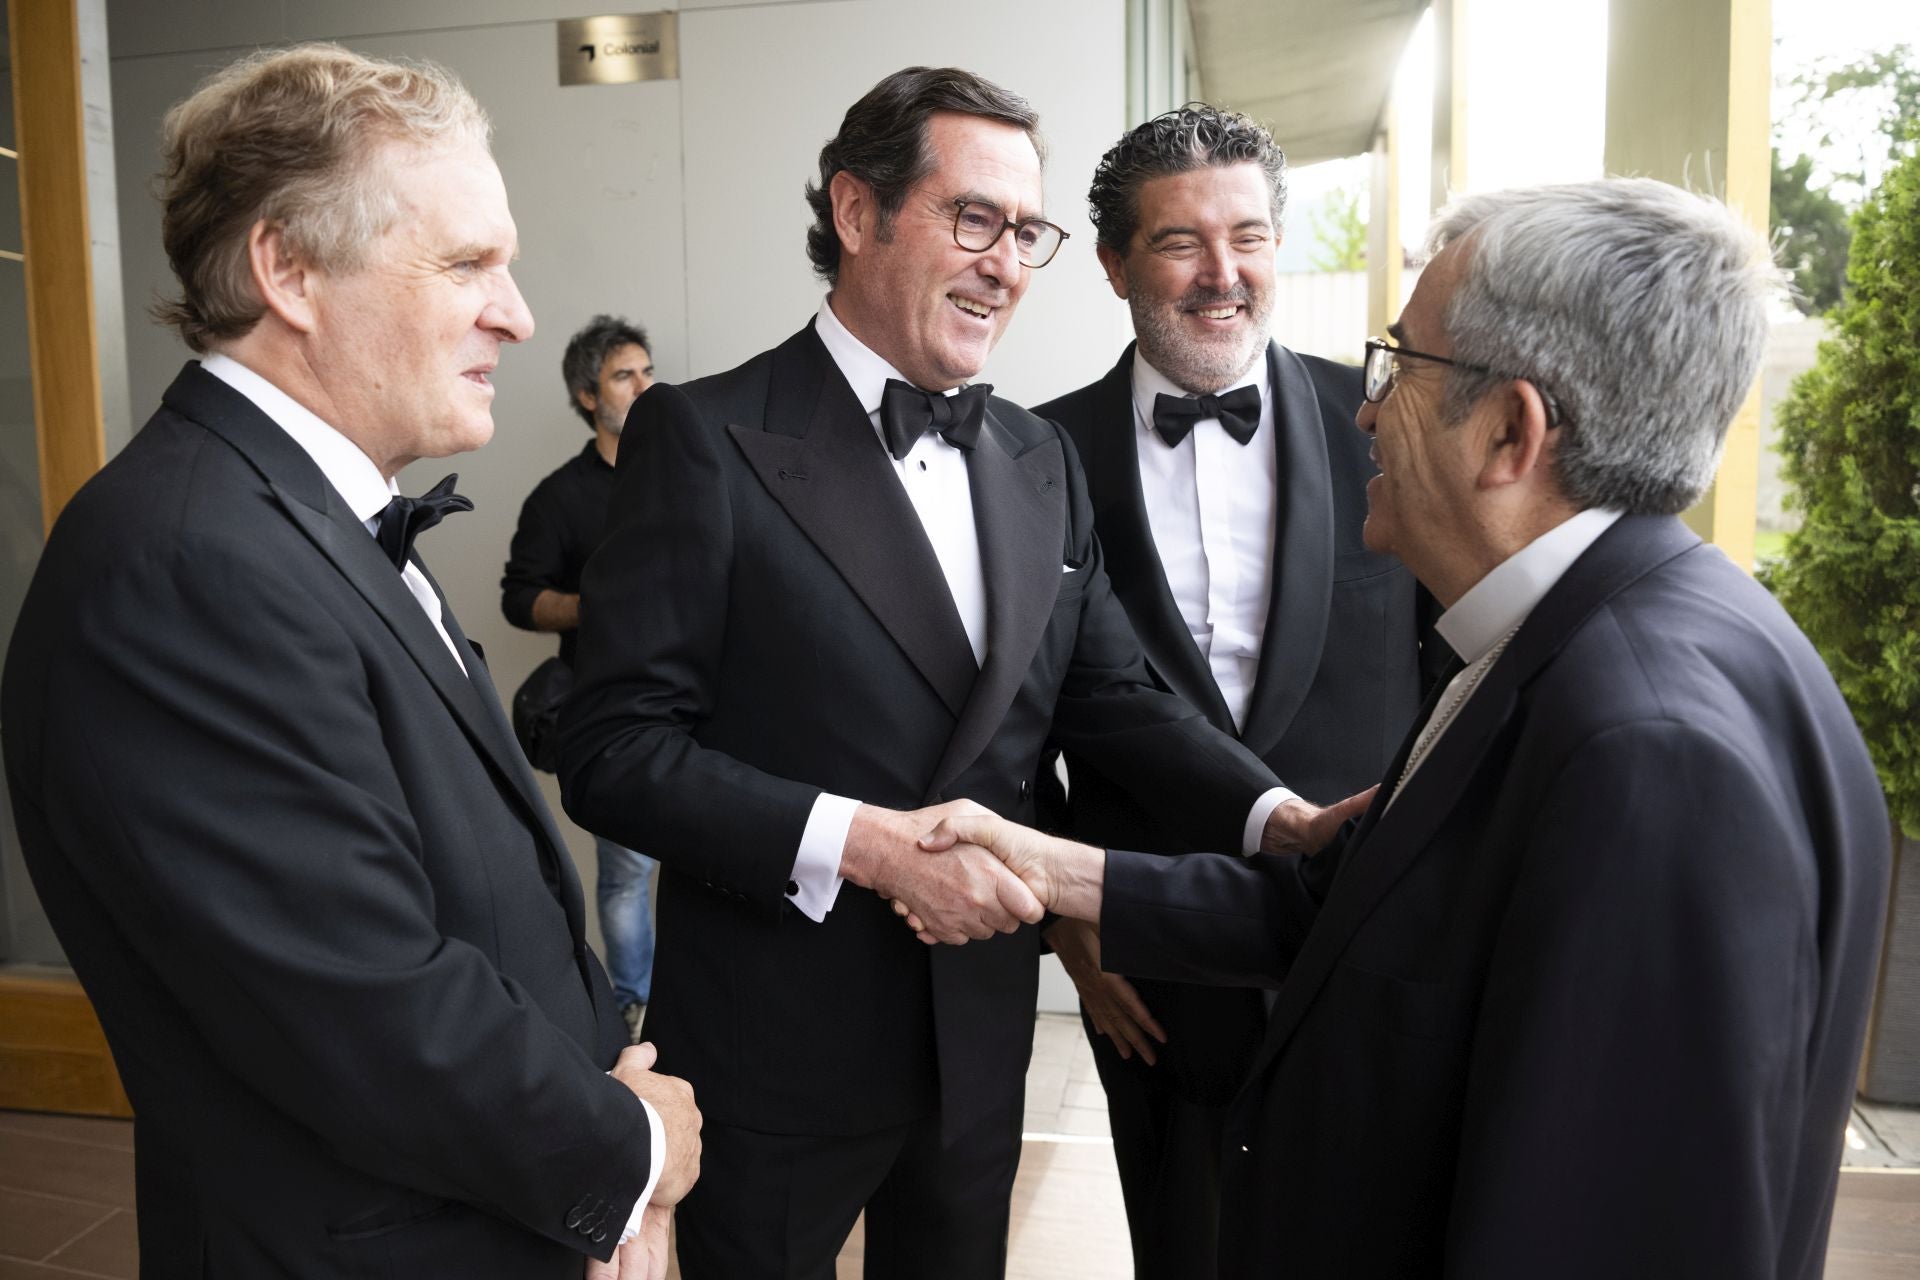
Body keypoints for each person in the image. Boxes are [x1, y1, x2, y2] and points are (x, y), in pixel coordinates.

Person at [916, 178, 1892, 1278]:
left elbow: (1607, 1227)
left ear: (1510, 431)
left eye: (1400, 366)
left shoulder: (1648, 749)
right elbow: (1351, 912)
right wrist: (1053, 870)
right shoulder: (1580, 641)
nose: (1366, 411)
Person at [558, 66, 1353, 1280]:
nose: (1005, 264)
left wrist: (1274, 815)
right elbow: (613, 750)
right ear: (858, 211)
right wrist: (868, 846)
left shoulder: (1039, 455)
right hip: (771, 1050)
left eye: (1025, 232)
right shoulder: (703, 435)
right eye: (973, 219)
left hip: (977, 1039)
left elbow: (1114, 698)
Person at [1, 45, 699, 1280]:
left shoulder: (298, 516)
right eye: (467, 262)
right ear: (290, 270)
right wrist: (626, 1148)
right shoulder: (181, 564)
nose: (518, 313)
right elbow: (362, 1000)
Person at [1031, 104, 1443, 1275]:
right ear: (1114, 263)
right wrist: (1068, 919)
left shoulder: (1389, 422)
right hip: (1148, 960)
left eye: (1249, 236)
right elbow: (1008, 719)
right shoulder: (1033, 455)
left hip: (1360, 938)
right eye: (1180, 241)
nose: (1224, 273)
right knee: (1183, 1245)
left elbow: (1453, 671)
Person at [503, 314, 659, 1037]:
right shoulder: (558, 498)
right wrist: (597, 605)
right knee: (628, 872)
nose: (645, 385)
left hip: (708, 701)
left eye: (648, 371)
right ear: (588, 396)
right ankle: (634, 1009)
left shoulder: (686, 467)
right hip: (613, 709)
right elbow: (520, 599)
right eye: (625, 375)